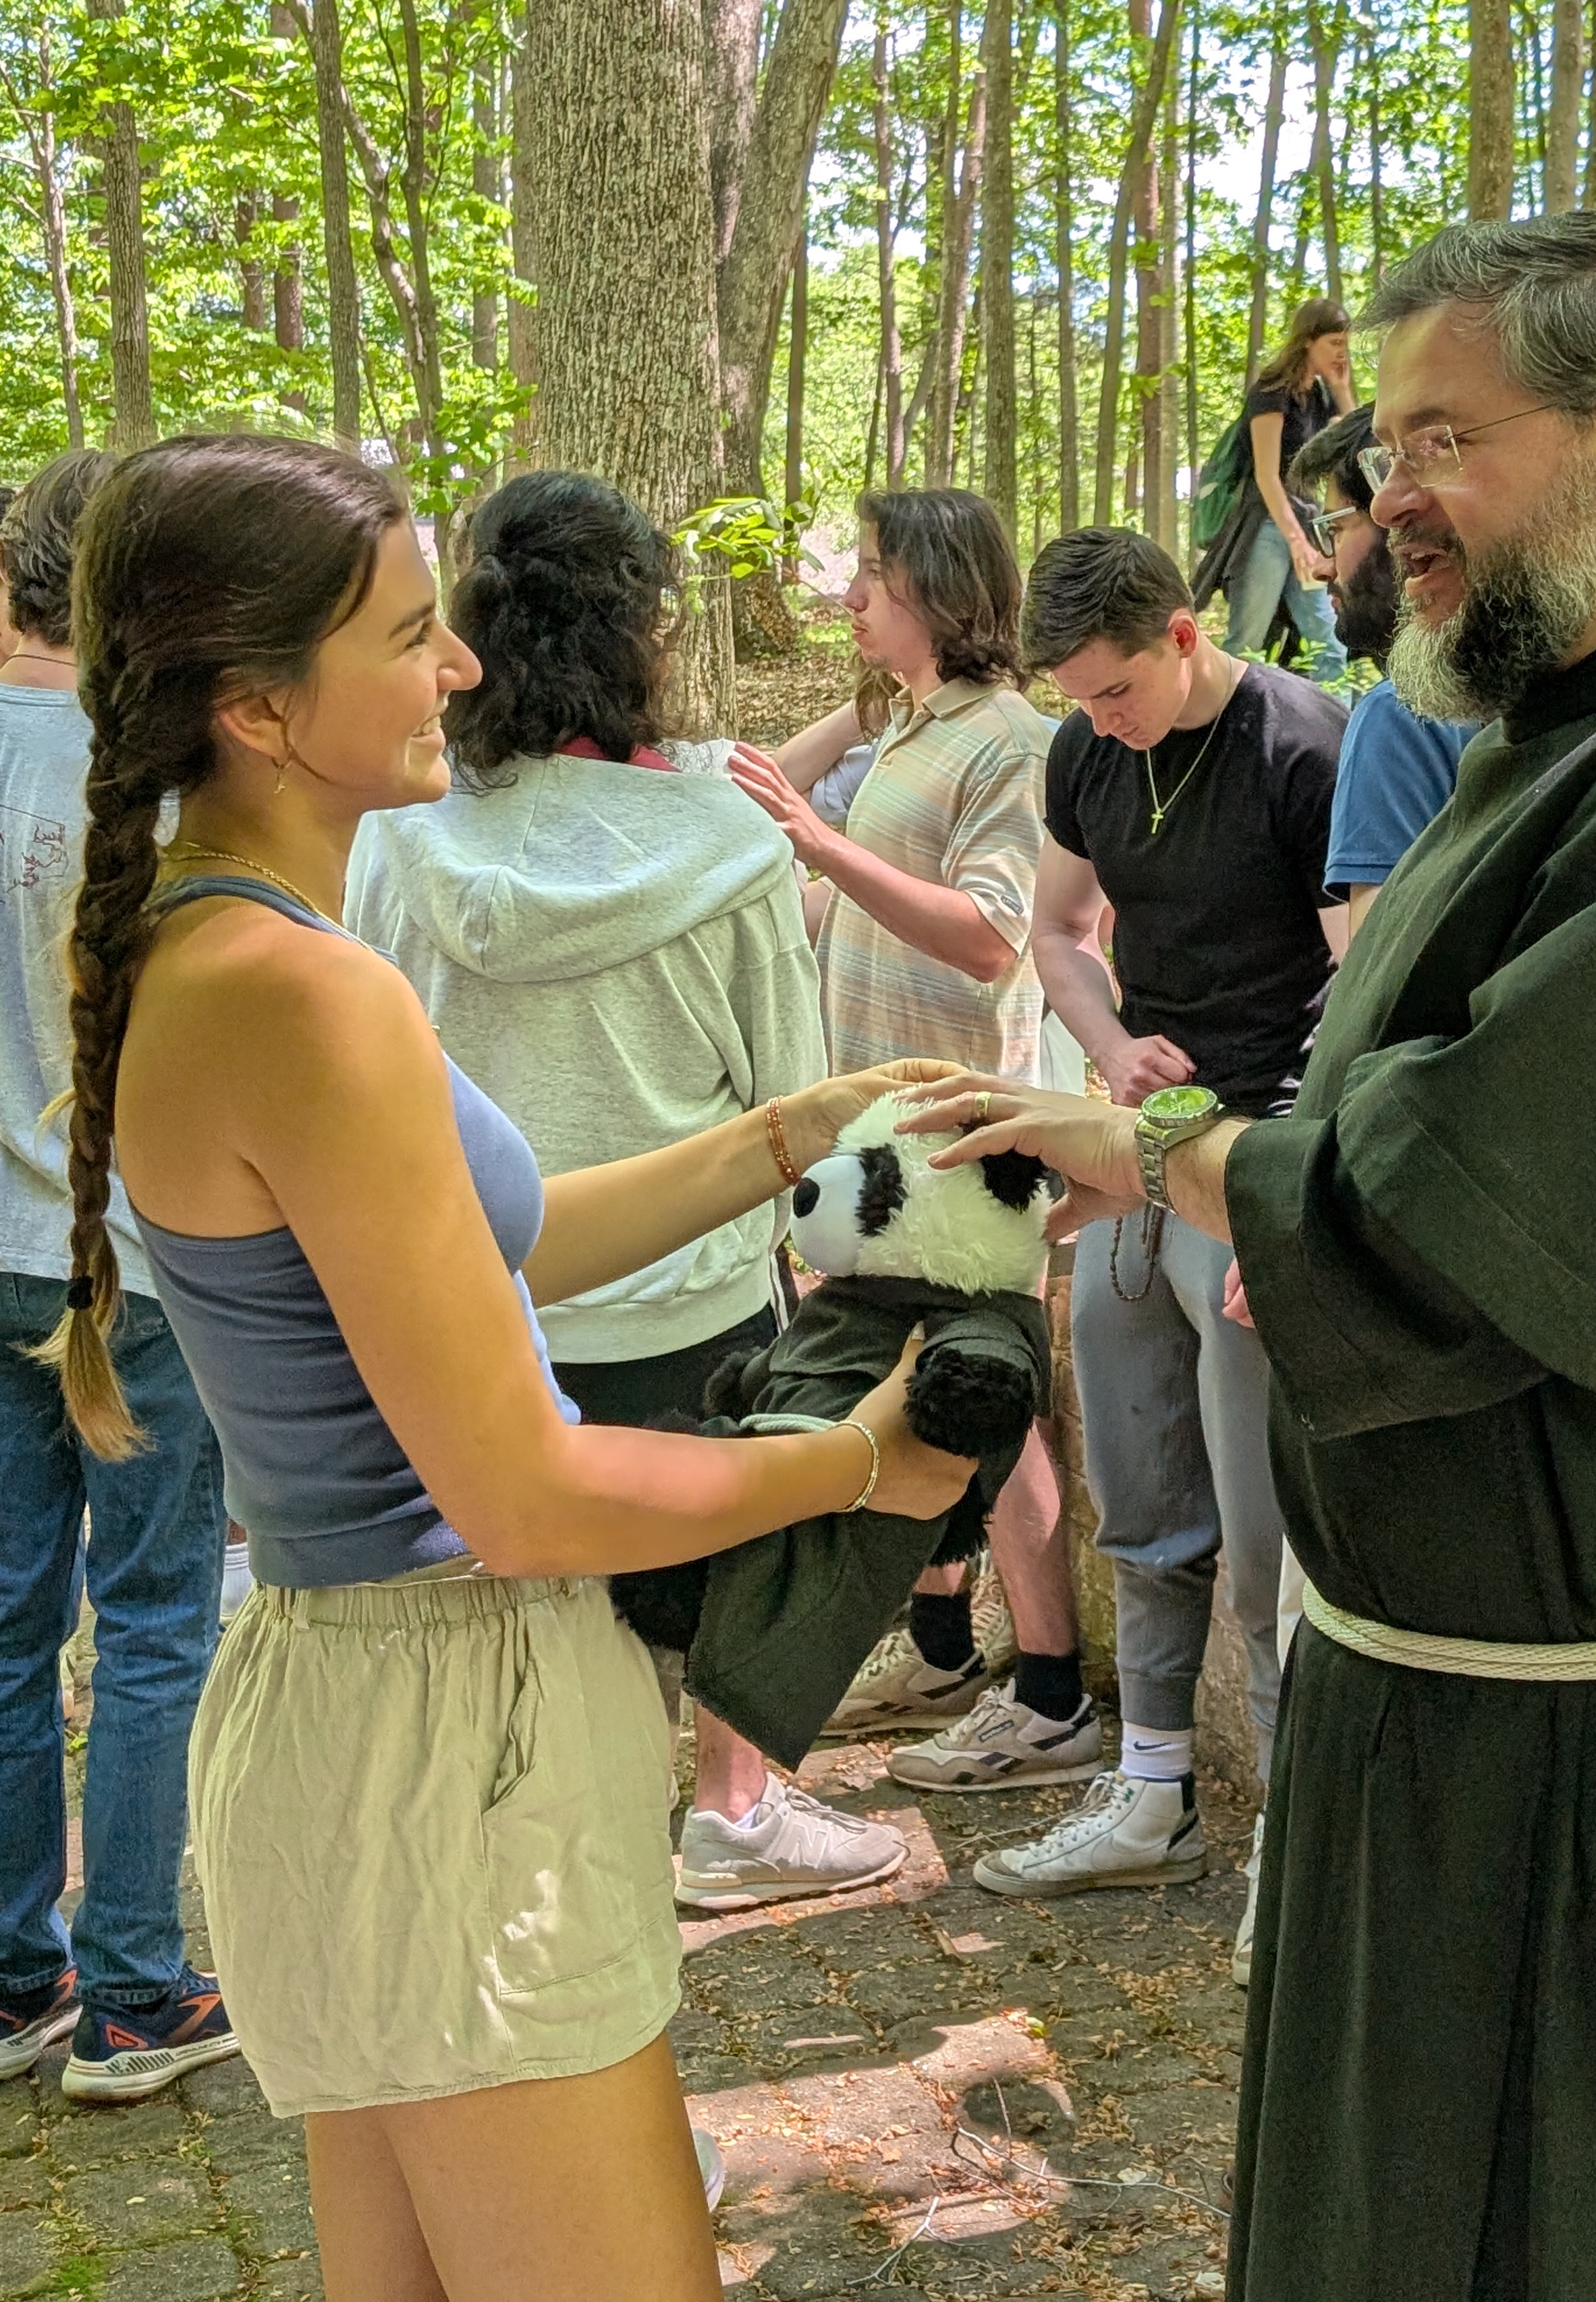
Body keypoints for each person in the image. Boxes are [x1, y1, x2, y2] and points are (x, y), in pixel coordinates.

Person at [899, 209, 1596, 2300]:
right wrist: (1181, 1143)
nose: (1376, 500)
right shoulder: (1587, 732)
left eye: (1434, 440)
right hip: (1499, 1738)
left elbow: (1450, 1184)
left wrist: (1166, 1149)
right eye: (1365, 449)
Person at [51, 431, 974, 2302]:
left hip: (359, 1713)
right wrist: (857, 1457)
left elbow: (507, 1232)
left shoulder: (231, 943)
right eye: (408, 635)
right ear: (259, 705)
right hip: (453, 1733)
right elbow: (527, 1493)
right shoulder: (307, 996)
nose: (461, 667)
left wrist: (780, 1133)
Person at [343, 472, 892, 1917]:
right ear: (641, 633)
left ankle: (524, 1856)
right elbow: (795, 1091)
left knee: (511, 1596)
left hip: (479, 1299)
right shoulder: (723, 839)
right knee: (723, 1556)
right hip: (692, 1301)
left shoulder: (394, 834)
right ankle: (733, 1811)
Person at [972, 530, 1345, 1982]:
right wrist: (1113, 1046)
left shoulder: (1301, 748)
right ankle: (1150, 1789)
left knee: (1266, 1541)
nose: (1100, 719)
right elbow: (1061, 935)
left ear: (1186, 635)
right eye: (1077, 696)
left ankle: (1298, 1855)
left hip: (1258, 1161)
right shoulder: (1081, 751)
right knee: (1141, 1489)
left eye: (1118, 689)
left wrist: (1291, 1202)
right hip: (1145, 1143)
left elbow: (1362, 976)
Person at [730, 492, 1097, 1790]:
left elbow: (994, 938)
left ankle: (1049, 1695)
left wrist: (821, 847)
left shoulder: (1010, 742)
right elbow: (762, 795)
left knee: (995, 1409)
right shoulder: (910, 729)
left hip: (963, 1133)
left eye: (874, 577)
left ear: (940, 589)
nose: (849, 598)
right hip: (871, 1132)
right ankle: (942, 1647)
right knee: (907, 1385)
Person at [0, 449, 235, 2103]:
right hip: (139, 1261)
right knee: (154, 1618)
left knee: (8, 1625)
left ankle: (21, 1971)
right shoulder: (158, 776)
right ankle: (134, 1987)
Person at [1298, 407, 1477, 932]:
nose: (1321, 565)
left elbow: (1380, 995)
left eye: (1334, 528)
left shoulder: (1401, 718)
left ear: (1394, 525)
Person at [1192, 298, 1355, 684]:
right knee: (1247, 645)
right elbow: (1267, 477)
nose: (1342, 350)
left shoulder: (1319, 394)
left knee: (1330, 645)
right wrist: (1297, 542)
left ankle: (1333, 740)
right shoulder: (1271, 391)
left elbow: (1355, 441)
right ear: (1307, 342)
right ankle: (1230, 736)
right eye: (1334, 341)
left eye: (1345, 341)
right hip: (1266, 527)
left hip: (1305, 524)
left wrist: (1340, 387)